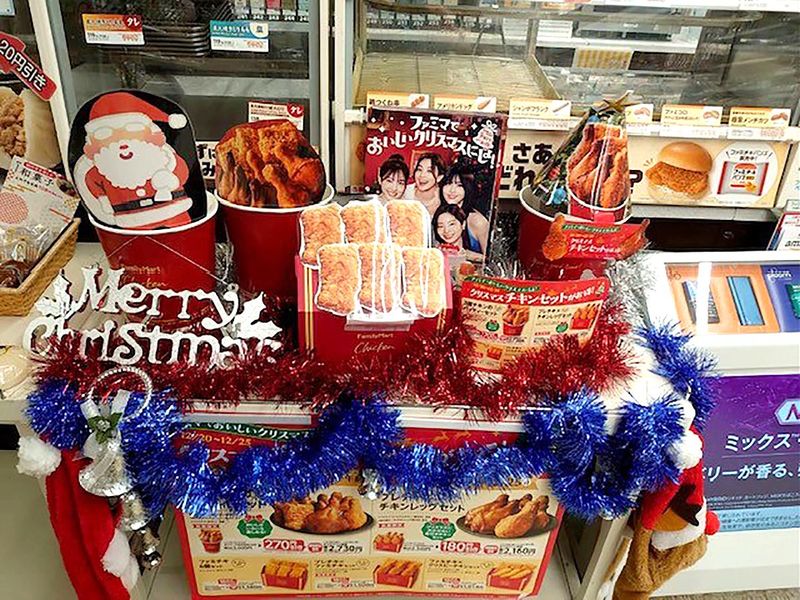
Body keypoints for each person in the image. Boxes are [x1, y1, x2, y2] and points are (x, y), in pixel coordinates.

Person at [439, 165, 489, 256]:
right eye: (448, 183)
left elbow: (490, 259)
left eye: (459, 185)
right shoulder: (440, 213)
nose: (452, 190)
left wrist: (464, 254)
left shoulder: (477, 221)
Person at [404, 152, 446, 217]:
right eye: (419, 169)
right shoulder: (405, 192)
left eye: (429, 171)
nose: (422, 175)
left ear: (439, 177)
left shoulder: (444, 198)